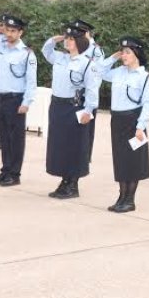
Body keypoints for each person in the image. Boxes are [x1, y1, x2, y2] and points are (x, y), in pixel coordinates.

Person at [42, 25, 101, 199]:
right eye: (67, 38)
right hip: (57, 106)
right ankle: (64, 180)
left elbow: (92, 90)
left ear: (80, 42)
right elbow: (46, 51)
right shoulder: (60, 58)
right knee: (59, 145)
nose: (67, 41)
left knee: (74, 146)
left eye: (71, 39)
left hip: (74, 108)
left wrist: (88, 111)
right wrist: (55, 39)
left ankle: (73, 183)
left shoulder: (87, 64)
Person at [0, 15, 38, 187]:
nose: (9, 34)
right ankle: (5, 170)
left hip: (16, 100)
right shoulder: (0, 45)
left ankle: (14, 174)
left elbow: (31, 81)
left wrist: (26, 102)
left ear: (20, 32)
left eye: (13, 31)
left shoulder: (27, 54)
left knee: (16, 139)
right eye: (7, 30)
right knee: (4, 137)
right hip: (0, 97)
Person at [100, 36, 149, 213]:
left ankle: (129, 199)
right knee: (120, 160)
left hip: (133, 121)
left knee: (133, 161)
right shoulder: (118, 72)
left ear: (136, 54)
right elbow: (98, 71)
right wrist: (113, 57)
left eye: (127, 52)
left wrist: (141, 126)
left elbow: (148, 104)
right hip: (117, 120)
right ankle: (121, 196)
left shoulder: (145, 77)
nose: (124, 55)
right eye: (122, 52)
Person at [71, 19, 104, 162]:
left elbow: (98, 72)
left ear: (87, 33)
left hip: (88, 93)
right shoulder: (74, 48)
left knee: (87, 127)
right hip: (73, 93)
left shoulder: (95, 50)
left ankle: (86, 155)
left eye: (80, 33)